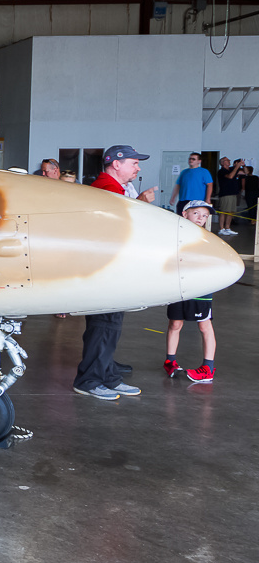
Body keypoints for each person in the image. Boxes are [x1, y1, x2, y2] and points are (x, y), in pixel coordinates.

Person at [74, 145, 151, 401]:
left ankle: (106, 374)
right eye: (133, 163)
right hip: (106, 270)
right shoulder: (107, 191)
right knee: (103, 325)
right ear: (116, 164)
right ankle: (89, 380)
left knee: (110, 326)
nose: (138, 167)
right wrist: (140, 206)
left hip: (113, 269)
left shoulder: (116, 189)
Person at [163, 201, 217, 383]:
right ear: (185, 214)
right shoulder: (174, 235)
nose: (201, 218)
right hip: (179, 287)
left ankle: (208, 368)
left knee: (204, 326)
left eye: (205, 215)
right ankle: (170, 361)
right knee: (175, 324)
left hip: (201, 290)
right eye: (197, 213)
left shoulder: (209, 239)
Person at [216, 156, 243, 236]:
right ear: (223, 162)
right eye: (227, 160)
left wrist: (243, 165)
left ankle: (227, 228)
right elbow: (230, 176)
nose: (229, 161)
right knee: (224, 211)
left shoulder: (231, 169)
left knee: (231, 212)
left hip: (233, 193)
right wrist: (237, 167)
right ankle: (221, 228)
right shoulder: (221, 171)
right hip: (225, 194)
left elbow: (245, 172)